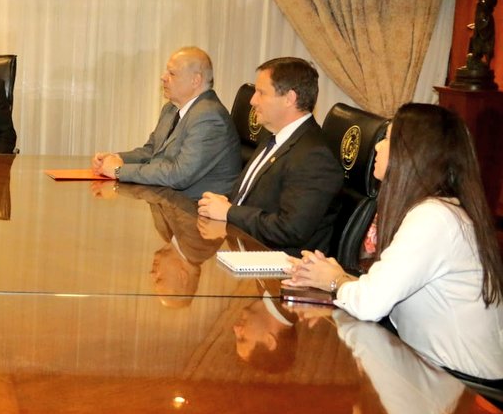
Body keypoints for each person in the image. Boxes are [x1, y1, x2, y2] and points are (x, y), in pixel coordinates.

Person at [284, 103, 503, 381]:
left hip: (461, 386)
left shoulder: (434, 218)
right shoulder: (433, 210)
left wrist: (334, 280)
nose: (376, 148)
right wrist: (333, 277)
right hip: (431, 368)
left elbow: (370, 303)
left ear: (413, 154)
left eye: (387, 139)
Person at [197, 57, 342, 256]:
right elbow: (250, 199)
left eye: (261, 93)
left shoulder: (314, 156)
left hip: (279, 271)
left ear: (289, 98)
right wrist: (223, 202)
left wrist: (229, 212)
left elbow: (290, 230)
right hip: (244, 248)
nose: (252, 100)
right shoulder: (274, 136)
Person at [91, 46, 240, 199]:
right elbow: (151, 151)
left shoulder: (209, 117)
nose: (163, 77)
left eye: (172, 73)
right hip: (168, 201)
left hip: (196, 211)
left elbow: (179, 175)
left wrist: (119, 170)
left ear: (195, 80)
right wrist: (115, 159)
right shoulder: (171, 108)